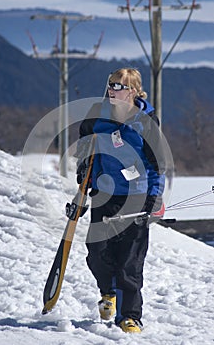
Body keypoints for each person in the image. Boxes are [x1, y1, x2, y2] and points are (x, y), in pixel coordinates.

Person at [75, 67, 166, 333]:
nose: (113, 90)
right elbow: (84, 150)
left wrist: (153, 197)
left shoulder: (146, 120)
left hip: (137, 196)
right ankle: (108, 292)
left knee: (130, 261)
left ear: (134, 91)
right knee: (97, 254)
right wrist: (83, 174)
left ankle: (130, 316)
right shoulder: (96, 116)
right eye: (111, 85)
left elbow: (156, 163)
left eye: (120, 86)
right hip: (103, 195)